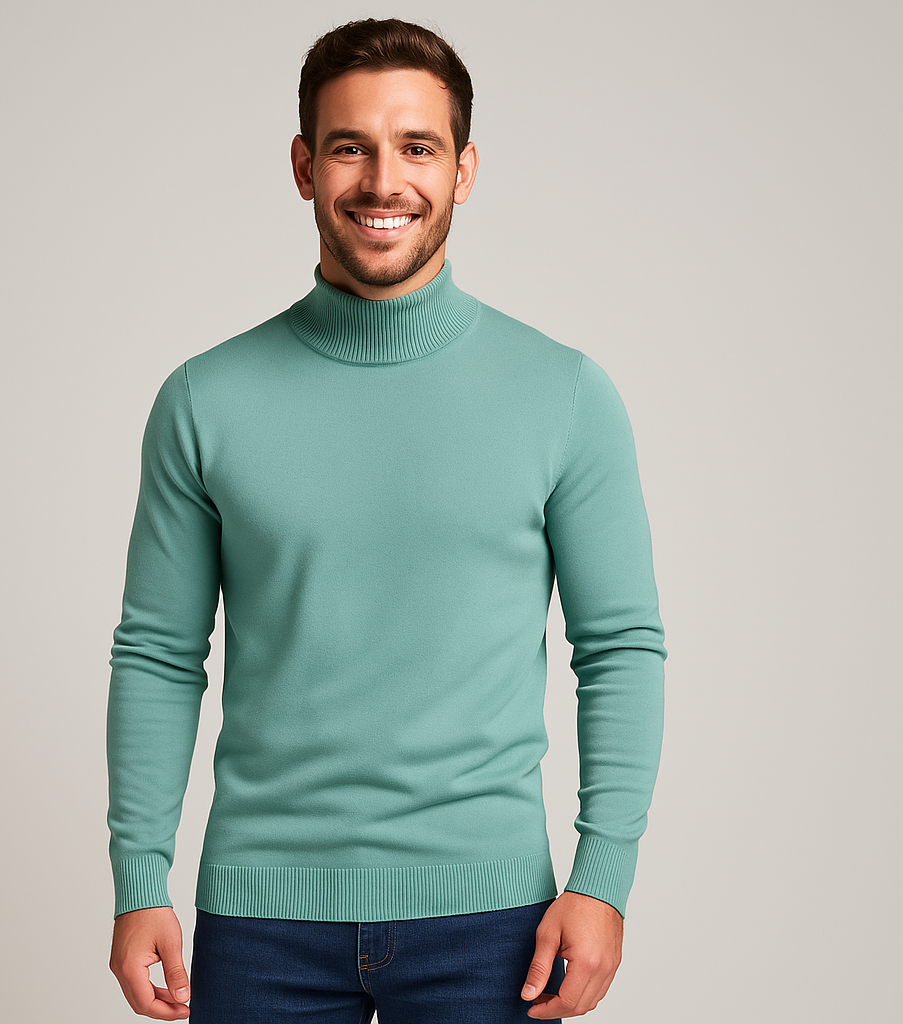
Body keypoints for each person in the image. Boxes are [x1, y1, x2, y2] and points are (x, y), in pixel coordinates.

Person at [106, 17, 666, 1023]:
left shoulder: (564, 395)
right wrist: (139, 875)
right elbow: (158, 651)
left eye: (417, 146)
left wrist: (604, 878)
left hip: (495, 922)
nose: (383, 180)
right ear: (302, 166)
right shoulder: (204, 400)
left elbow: (620, 645)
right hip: (262, 919)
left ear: (463, 170)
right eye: (349, 147)